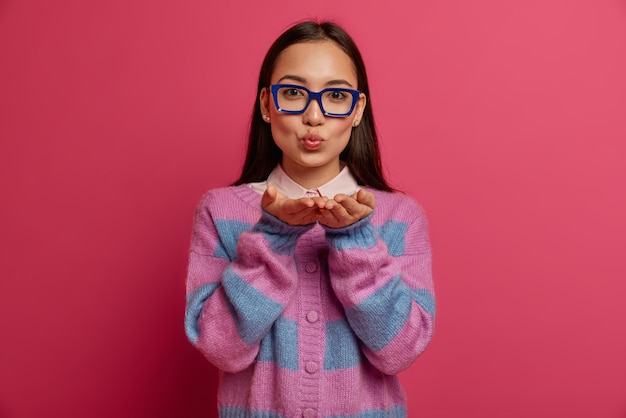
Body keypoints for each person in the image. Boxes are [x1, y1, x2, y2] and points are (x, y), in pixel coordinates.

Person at [184, 20, 435, 418]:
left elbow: (398, 352)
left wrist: (355, 242)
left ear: (357, 111)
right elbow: (221, 348)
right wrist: (275, 236)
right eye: (294, 93)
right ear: (267, 104)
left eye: (336, 96)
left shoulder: (399, 217)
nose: (314, 116)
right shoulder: (221, 211)